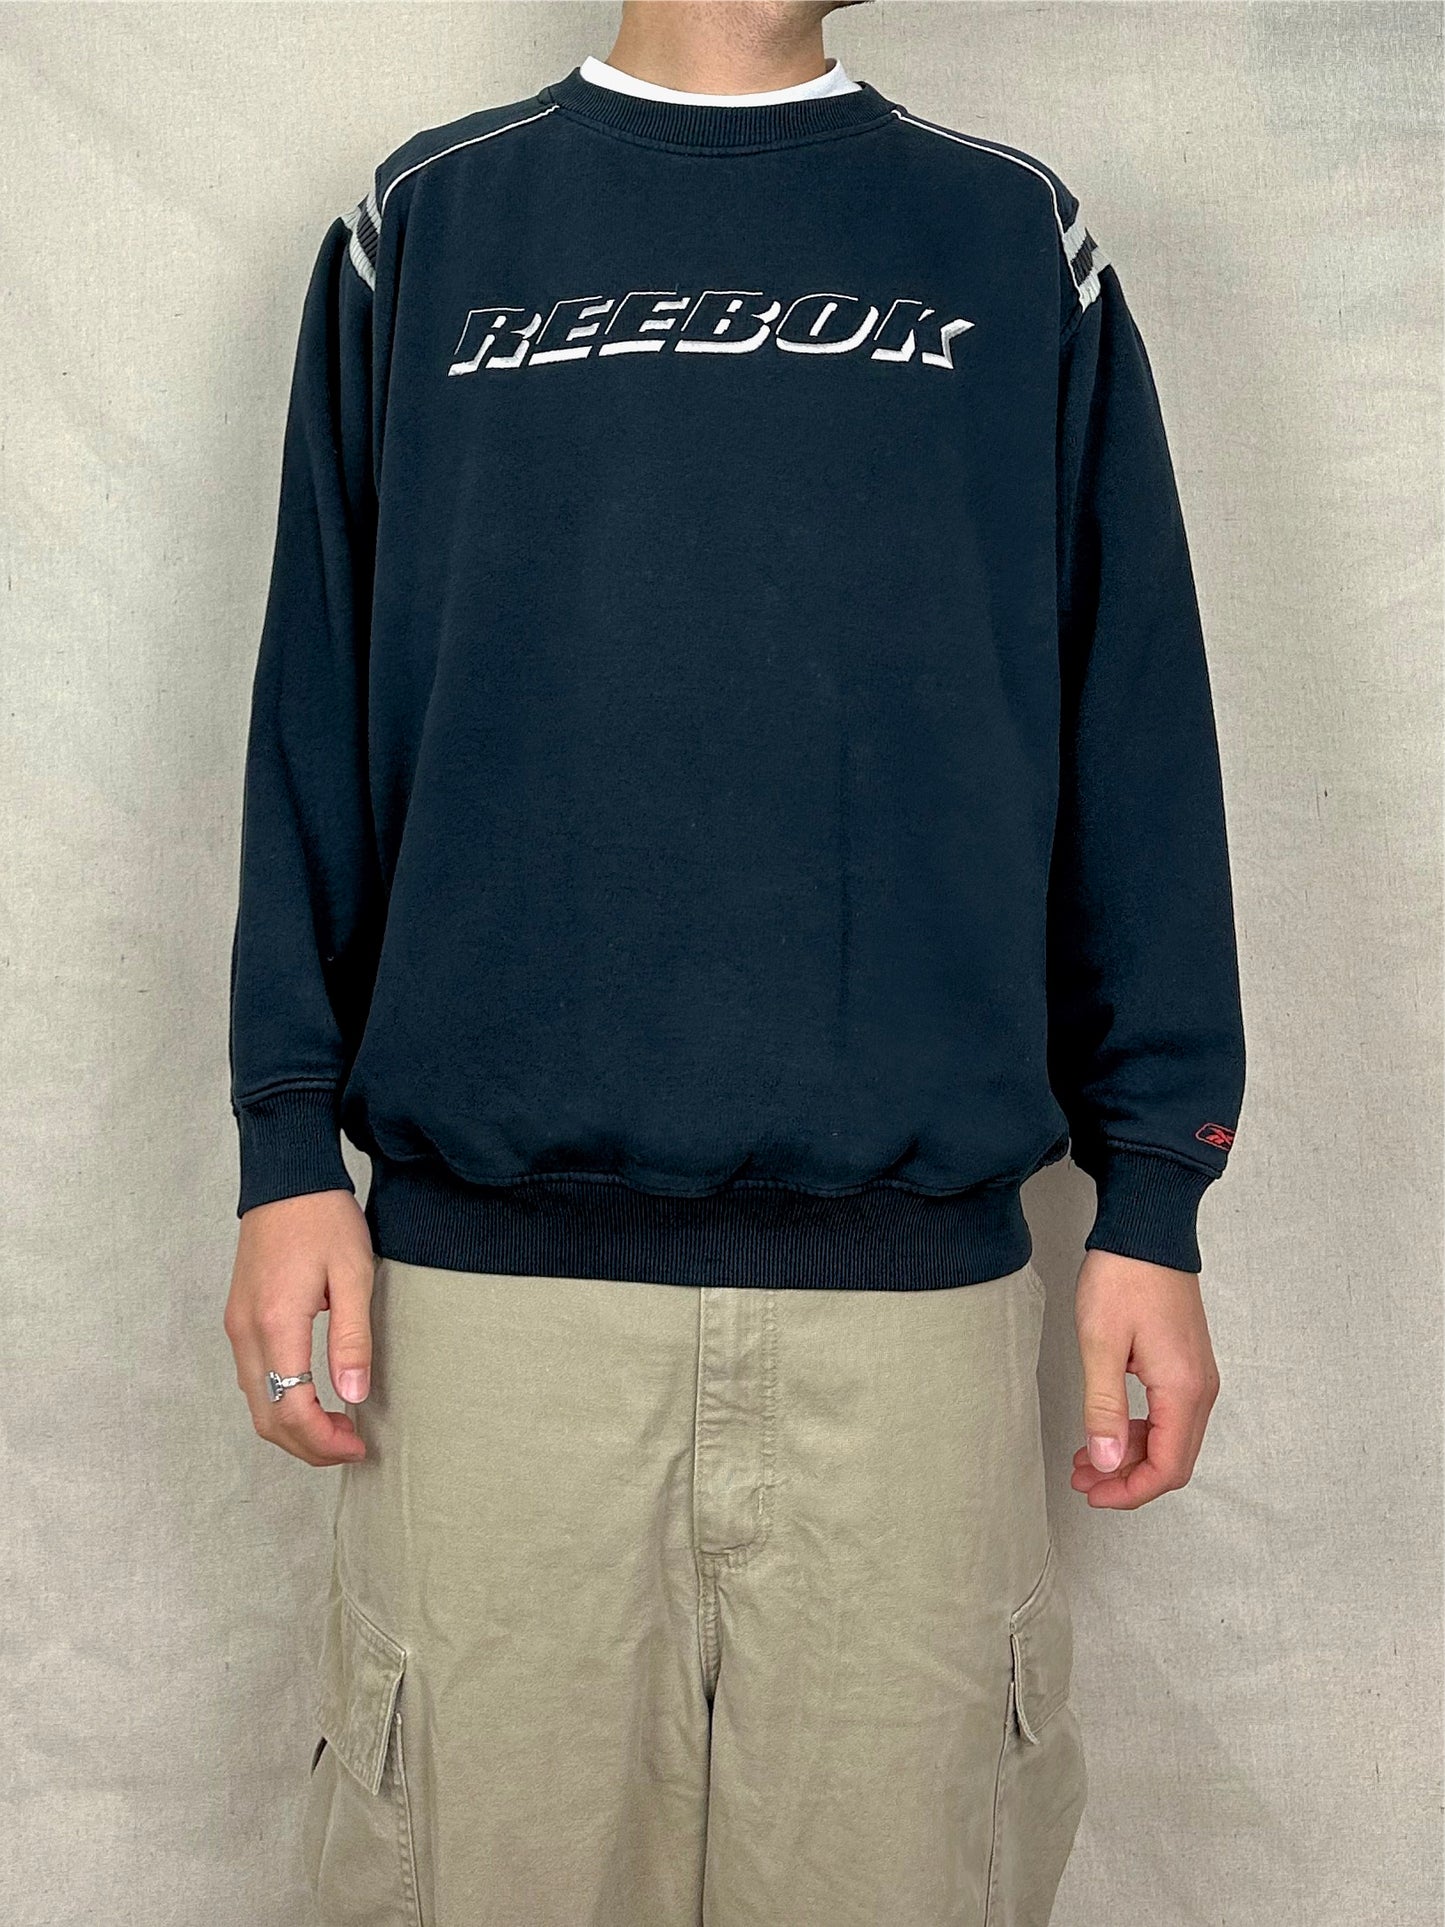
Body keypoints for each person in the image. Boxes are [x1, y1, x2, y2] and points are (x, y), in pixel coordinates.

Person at [223, 2, 1245, 1920]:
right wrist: (284, 1146)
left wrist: (1156, 1194)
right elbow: (314, 710)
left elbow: (1130, 722)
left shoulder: (1006, 239)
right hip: (483, 1313)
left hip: (910, 1322)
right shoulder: (428, 225)